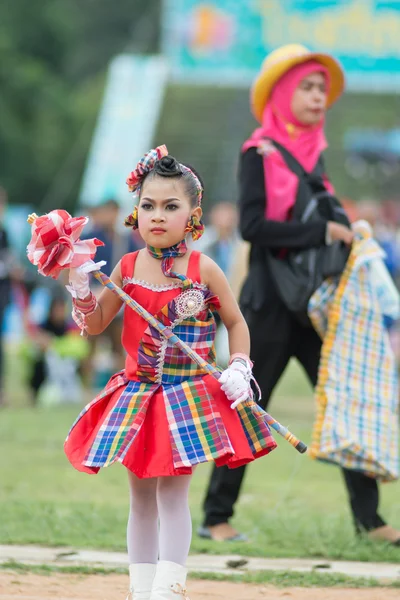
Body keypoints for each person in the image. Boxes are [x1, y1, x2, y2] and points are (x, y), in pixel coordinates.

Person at [199, 44, 400, 546]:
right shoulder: (258, 152)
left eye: (322, 90)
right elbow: (252, 226)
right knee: (246, 407)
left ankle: (370, 522)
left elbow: (322, 218)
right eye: (307, 88)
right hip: (267, 307)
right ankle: (216, 515)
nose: (317, 98)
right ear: (284, 93)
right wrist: (322, 234)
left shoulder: (316, 153)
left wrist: (347, 228)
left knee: (344, 401)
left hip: (312, 306)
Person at [64, 146, 277, 599]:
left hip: (185, 399)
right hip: (137, 395)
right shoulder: (124, 268)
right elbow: (96, 324)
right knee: (140, 498)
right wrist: (81, 288)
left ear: (193, 214)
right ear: (135, 212)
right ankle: (142, 590)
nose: (157, 216)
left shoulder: (205, 269)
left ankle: (169, 587)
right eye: (148, 205)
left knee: (173, 496)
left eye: (171, 206)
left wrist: (240, 365)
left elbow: (236, 323)